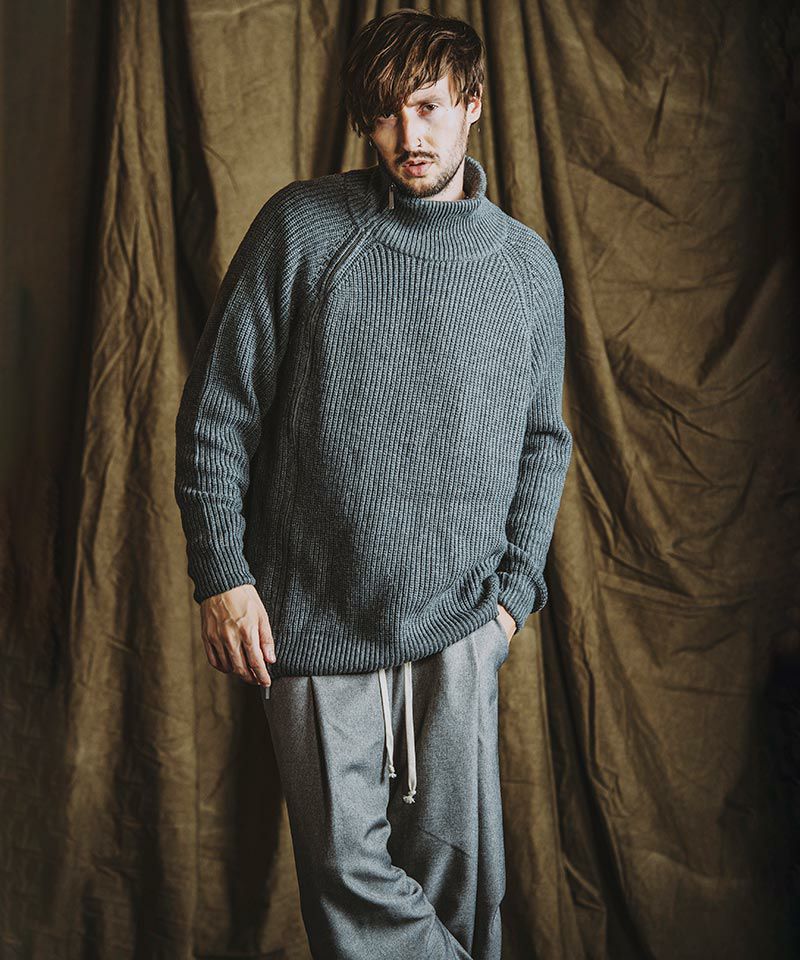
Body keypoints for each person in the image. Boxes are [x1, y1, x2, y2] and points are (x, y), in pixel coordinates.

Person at [174, 8, 573, 958]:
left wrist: (508, 607)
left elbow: (543, 442)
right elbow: (218, 411)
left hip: (459, 632)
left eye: (428, 108)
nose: (408, 136)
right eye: (387, 115)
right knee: (346, 883)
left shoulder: (525, 268)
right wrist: (222, 574)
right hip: (313, 622)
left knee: (462, 890)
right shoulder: (304, 229)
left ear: (473, 104)